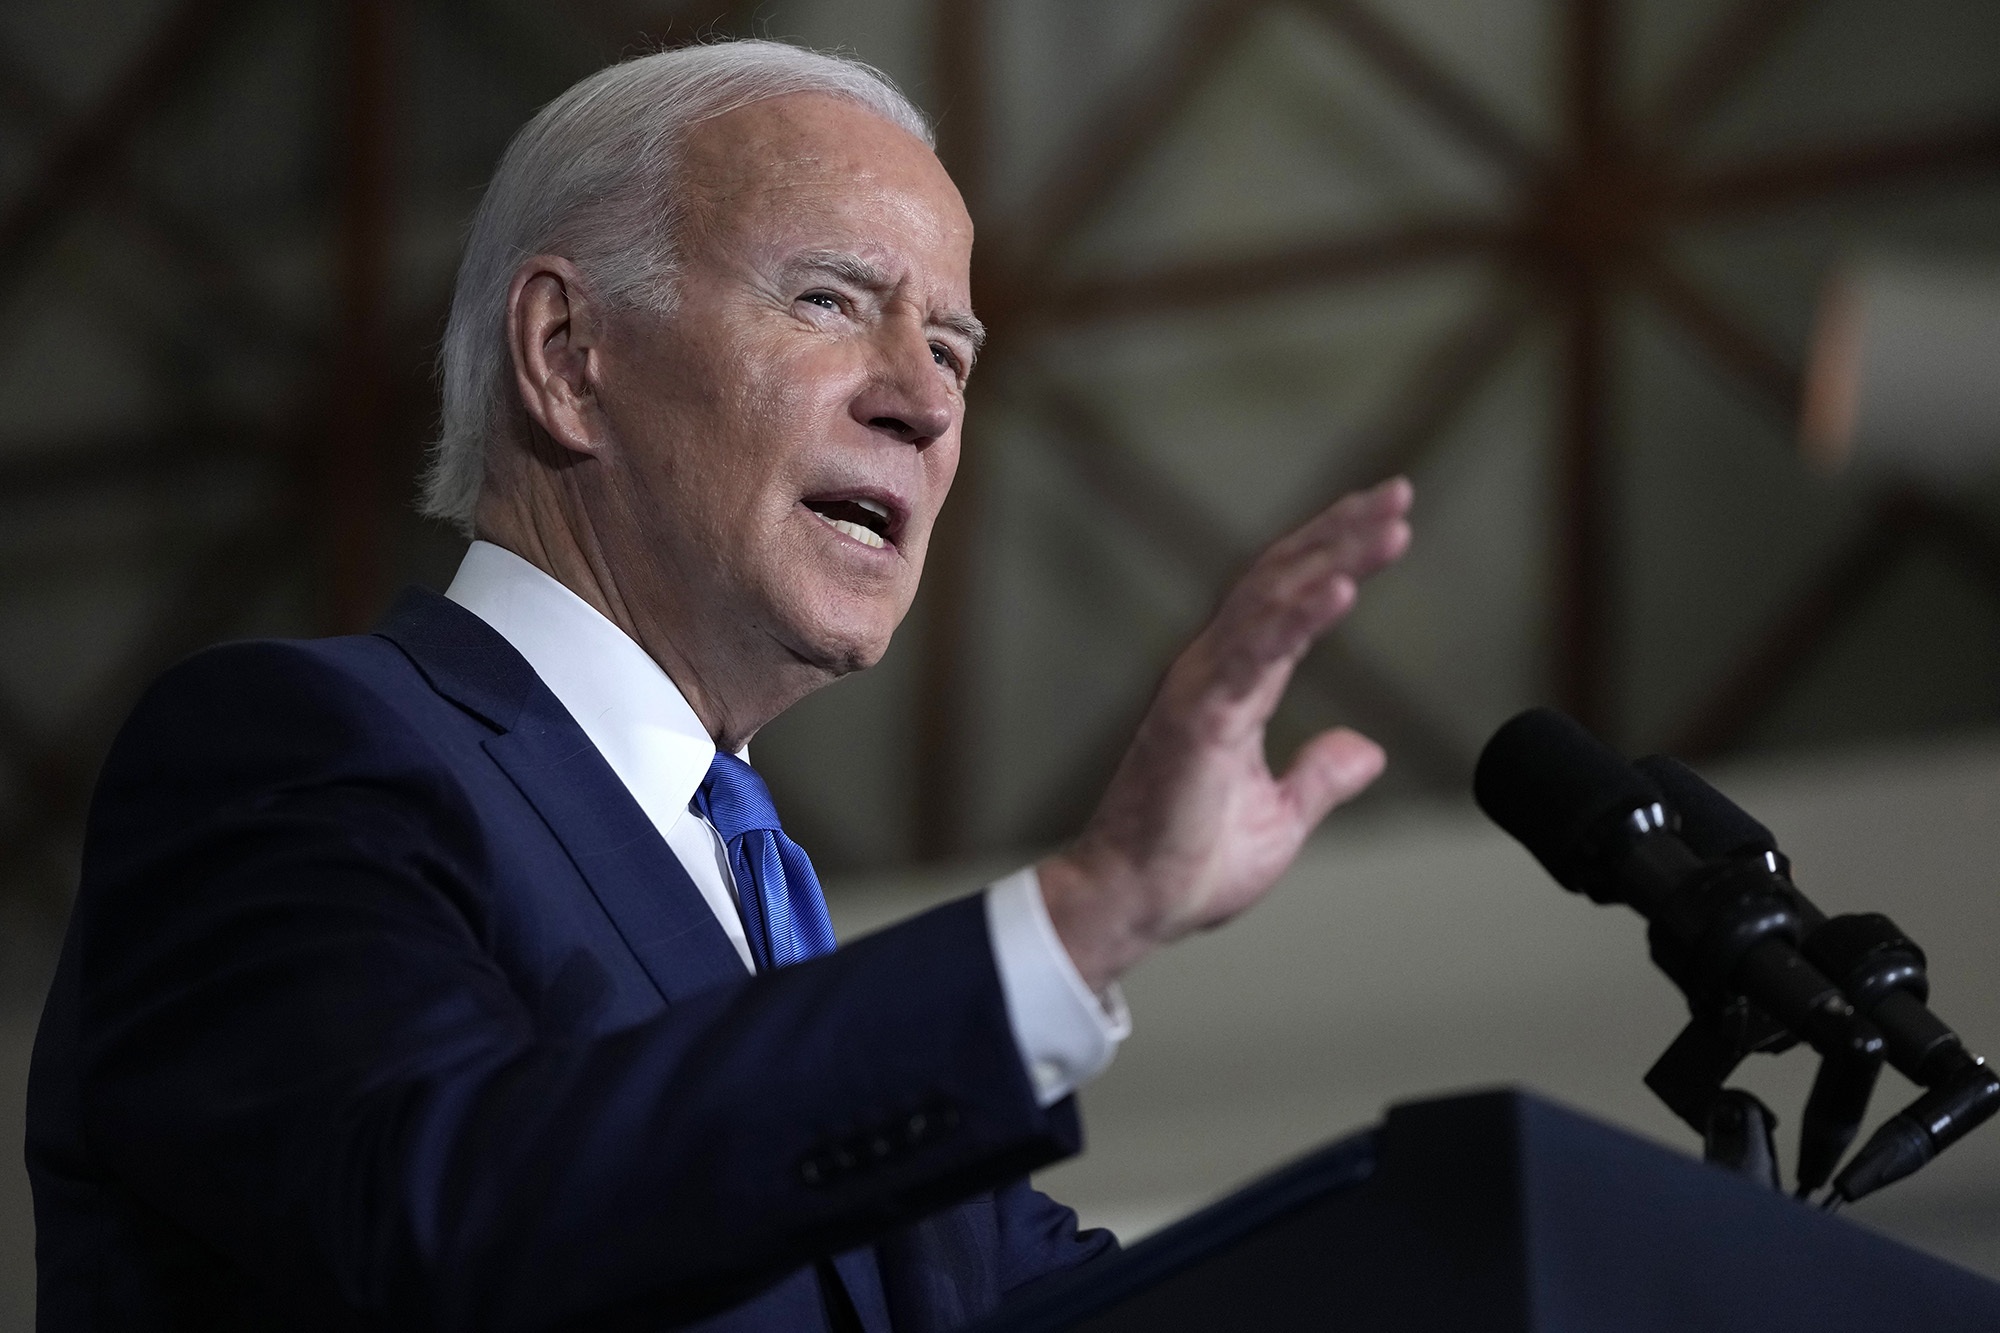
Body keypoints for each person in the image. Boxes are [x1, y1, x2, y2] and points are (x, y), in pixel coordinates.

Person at [25, 40, 1413, 1333]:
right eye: (830, 300)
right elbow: (443, 1209)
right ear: (568, 355)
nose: (924, 404)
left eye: (951, 349)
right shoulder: (297, 751)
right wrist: (1086, 913)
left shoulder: (763, 907)